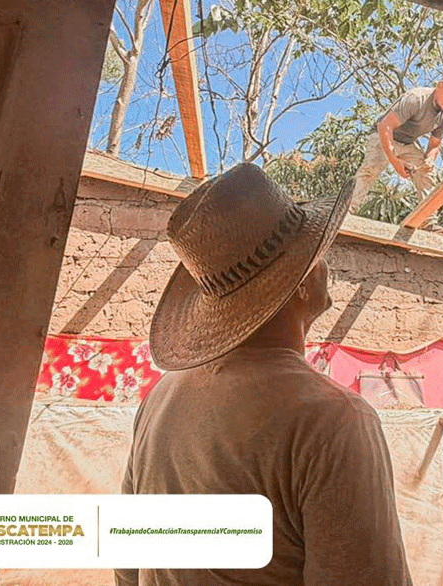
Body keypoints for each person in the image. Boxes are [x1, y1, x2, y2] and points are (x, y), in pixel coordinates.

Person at [115, 163, 413, 586]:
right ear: (300, 284)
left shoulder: (160, 398)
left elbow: (128, 565)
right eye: (313, 252)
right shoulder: (333, 420)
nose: (325, 261)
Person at [350, 69, 443, 234]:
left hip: (407, 143)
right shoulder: (416, 99)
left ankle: (428, 222)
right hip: (383, 135)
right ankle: (346, 211)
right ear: (440, 86)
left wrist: (430, 159)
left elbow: (435, 145)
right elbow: (385, 126)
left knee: (427, 173)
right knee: (371, 168)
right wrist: (395, 161)